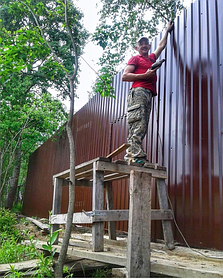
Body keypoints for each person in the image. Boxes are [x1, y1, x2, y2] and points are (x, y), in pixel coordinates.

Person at [122, 21, 174, 164]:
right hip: (138, 92)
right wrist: (144, 76)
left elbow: (161, 46)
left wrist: (167, 30)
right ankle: (136, 156)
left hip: (147, 93)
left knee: (142, 123)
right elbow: (124, 76)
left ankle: (132, 154)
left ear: (149, 46)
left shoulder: (151, 58)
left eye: (146, 43)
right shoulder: (135, 58)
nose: (144, 45)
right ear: (137, 47)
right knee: (138, 122)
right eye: (141, 44)